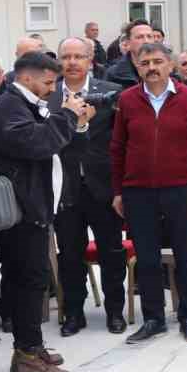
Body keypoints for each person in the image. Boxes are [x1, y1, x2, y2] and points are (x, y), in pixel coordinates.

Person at [110, 42, 187, 344]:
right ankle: (153, 318)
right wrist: (118, 191)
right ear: (137, 66)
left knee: (186, 256)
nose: (152, 68)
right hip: (137, 192)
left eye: (158, 61)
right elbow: (117, 148)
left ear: (170, 65)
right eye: (145, 63)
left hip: (181, 190)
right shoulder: (127, 101)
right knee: (147, 259)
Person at [0, 52, 85, 372]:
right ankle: (29, 355)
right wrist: (68, 117)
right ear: (27, 78)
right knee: (30, 281)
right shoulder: (9, 107)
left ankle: (28, 348)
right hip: (23, 212)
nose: (52, 88)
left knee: (28, 280)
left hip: (31, 207)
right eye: (48, 82)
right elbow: (37, 143)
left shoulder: (22, 103)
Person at [50, 38, 126, 336]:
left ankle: (115, 312)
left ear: (90, 60)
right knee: (70, 254)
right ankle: (73, 313)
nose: (71, 62)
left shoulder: (111, 93)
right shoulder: (49, 96)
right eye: (66, 57)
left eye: (78, 56)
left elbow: (121, 143)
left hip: (103, 187)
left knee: (111, 252)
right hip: (65, 189)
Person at [104, 20, 154, 87]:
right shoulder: (114, 74)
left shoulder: (164, 70)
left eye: (149, 36)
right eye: (140, 37)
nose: (146, 41)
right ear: (128, 43)